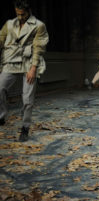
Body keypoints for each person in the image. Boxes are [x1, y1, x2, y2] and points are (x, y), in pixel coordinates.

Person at [0, 0, 49, 142]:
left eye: (23, 14)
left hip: (29, 62)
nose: (20, 17)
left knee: (27, 98)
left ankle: (25, 128)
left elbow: (39, 48)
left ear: (29, 11)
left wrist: (33, 68)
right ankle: (2, 115)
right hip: (11, 60)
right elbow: (1, 40)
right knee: (0, 87)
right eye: (18, 14)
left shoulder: (39, 26)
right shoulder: (9, 24)